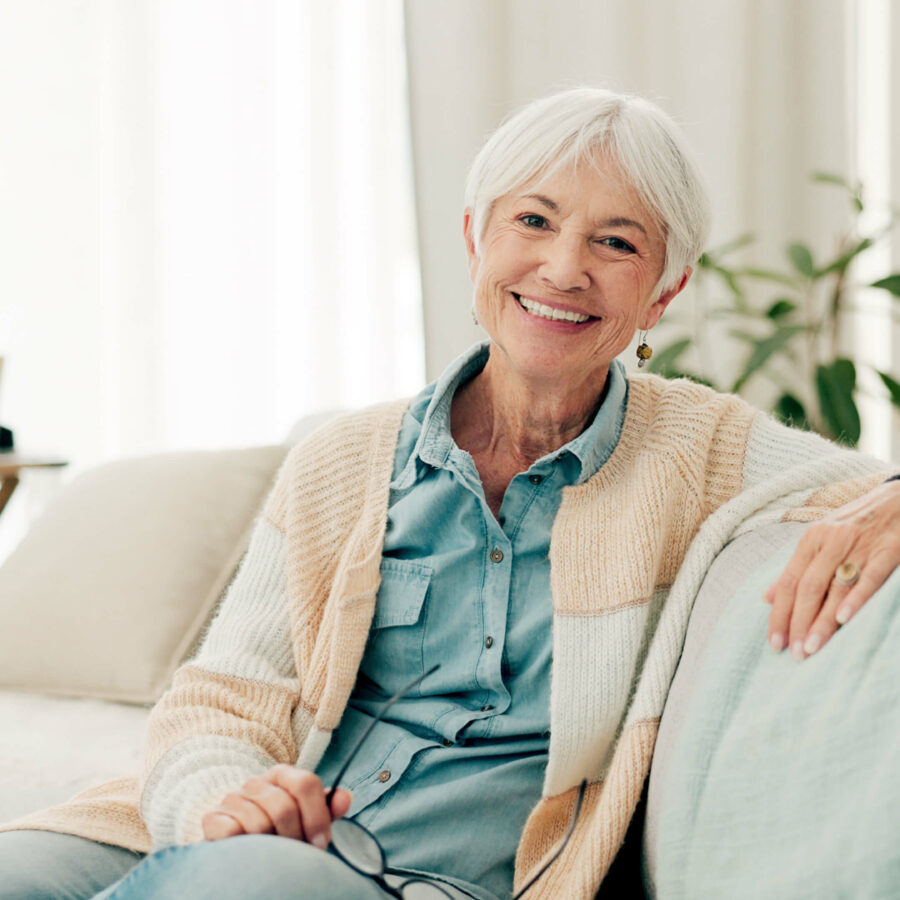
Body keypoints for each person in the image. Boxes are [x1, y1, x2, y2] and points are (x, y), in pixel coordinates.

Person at [1, 87, 898, 900]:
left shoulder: (704, 450)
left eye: (616, 243)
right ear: (476, 237)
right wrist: (221, 803)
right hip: (209, 842)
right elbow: (225, 696)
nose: (562, 267)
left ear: (664, 293)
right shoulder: (344, 456)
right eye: (534, 220)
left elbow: (873, 485)